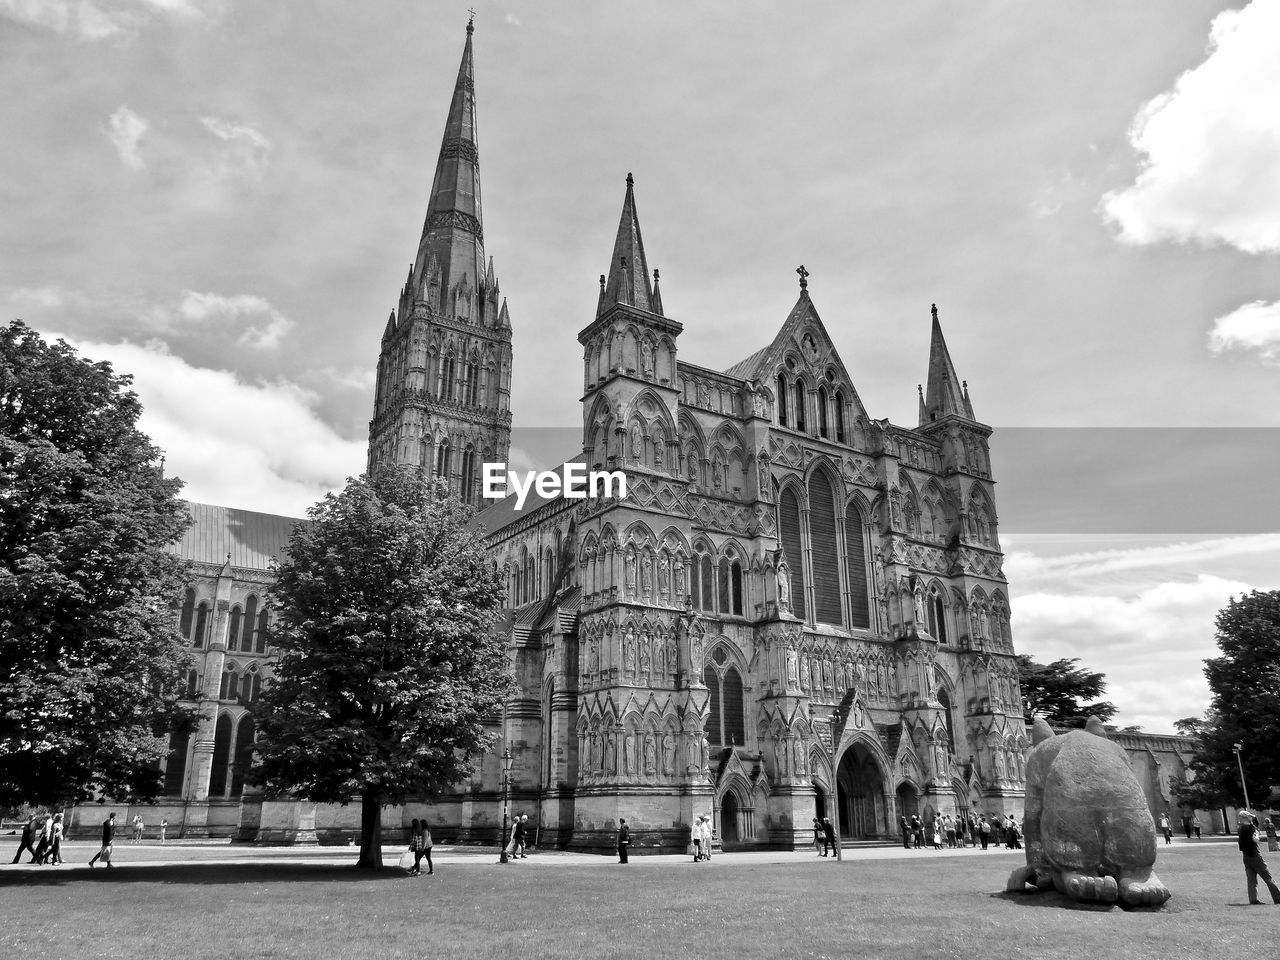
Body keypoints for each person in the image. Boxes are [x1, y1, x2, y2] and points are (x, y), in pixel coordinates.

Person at [1237, 811, 1280, 905]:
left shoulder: (1240, 828)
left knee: (1251, 880)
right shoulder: (1251, 828)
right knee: (1268, 878)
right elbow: (1255, 839)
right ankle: (1278, 899)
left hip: (1246, 857)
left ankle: (1253, 900)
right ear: (1247, 818)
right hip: (1255, 855)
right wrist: (1256, 834)